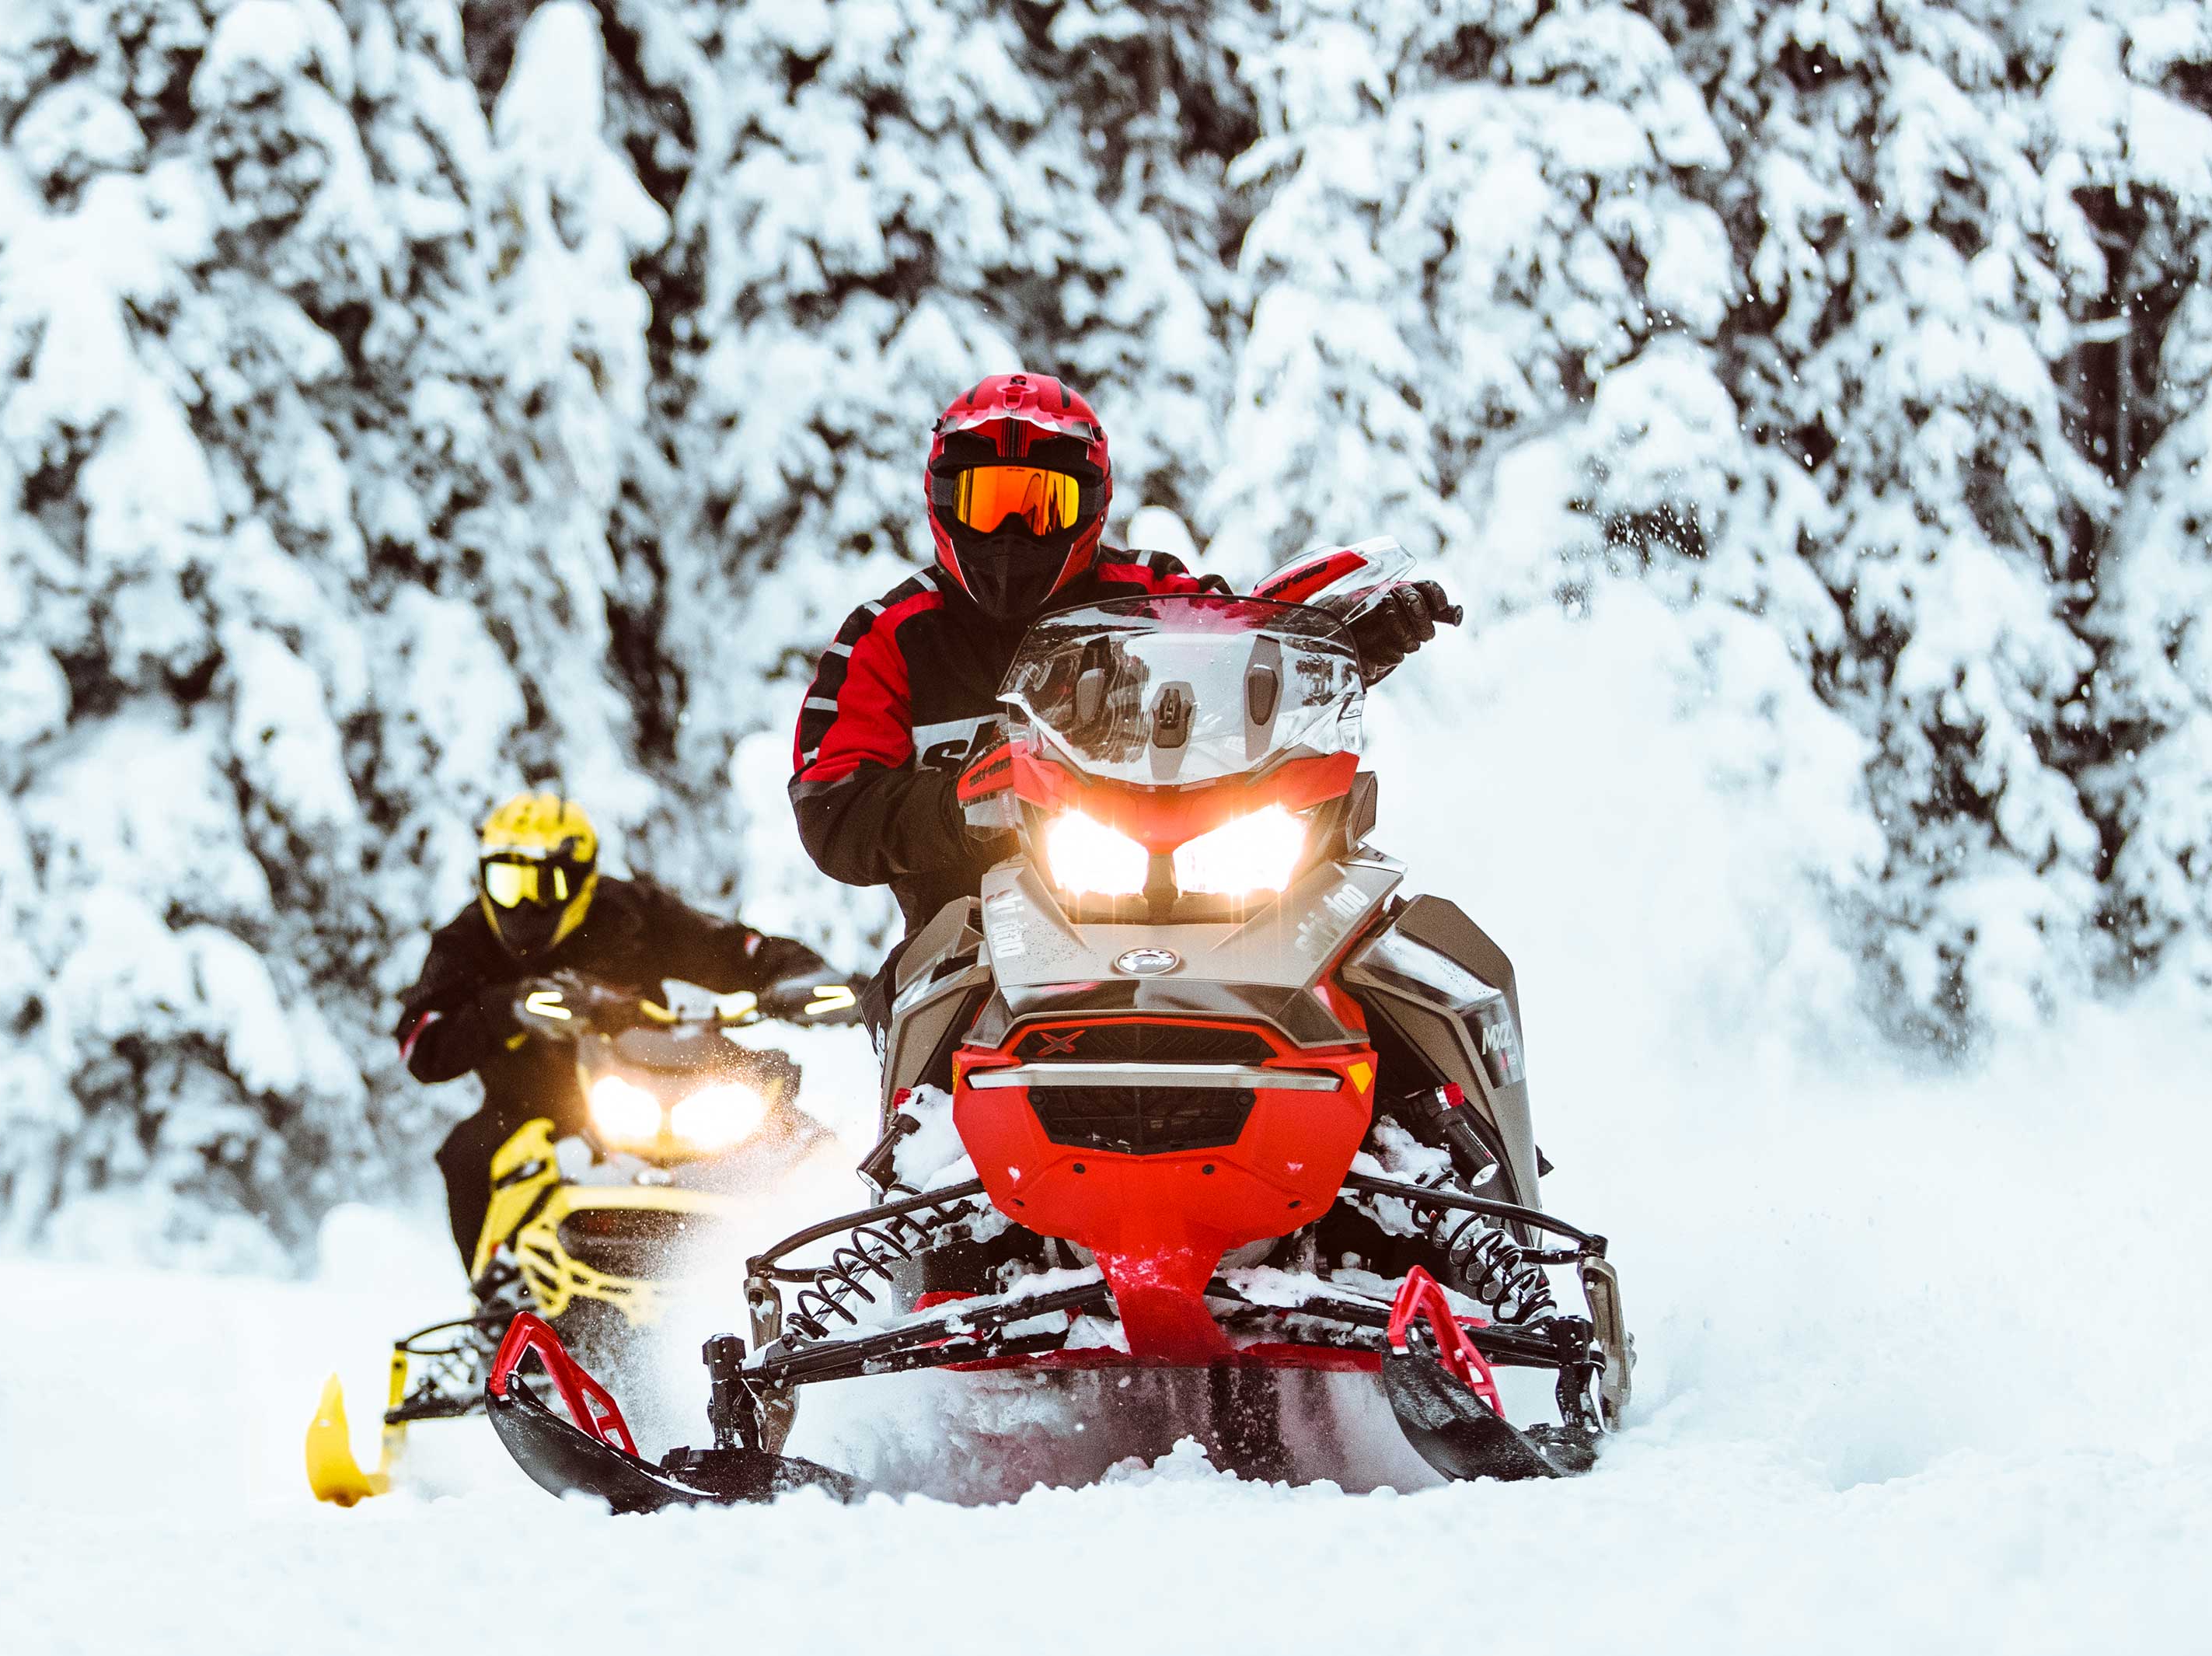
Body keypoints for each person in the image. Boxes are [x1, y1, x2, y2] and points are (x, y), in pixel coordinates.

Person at [787, 371, 1457, 958]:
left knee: (1369, 964)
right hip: (971, 941)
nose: (1013, 534)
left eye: (1044, 506)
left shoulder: (1154, 597)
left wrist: (1349, 648)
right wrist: (965, 801)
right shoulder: (889, 636)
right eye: (988, 506)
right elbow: (832, 810)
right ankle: (922, 1110)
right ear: (944, 504)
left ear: (1092, 505)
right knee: (918, 1045)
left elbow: (1255, 682)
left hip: (1187, 913)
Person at [396, 792, 839, 1279]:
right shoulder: (467, 940)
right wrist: (505, 1008)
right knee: (468, 1153)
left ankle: (842, 1263)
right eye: (507, 881)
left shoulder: (632, 913)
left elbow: (728, 945)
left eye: (545, 884)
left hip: (674, 1083)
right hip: (540, 1106)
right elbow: (422, 1045)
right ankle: (496, 1296)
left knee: (794, 1133)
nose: (523, 902)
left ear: (582, 878)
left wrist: (791, 974)